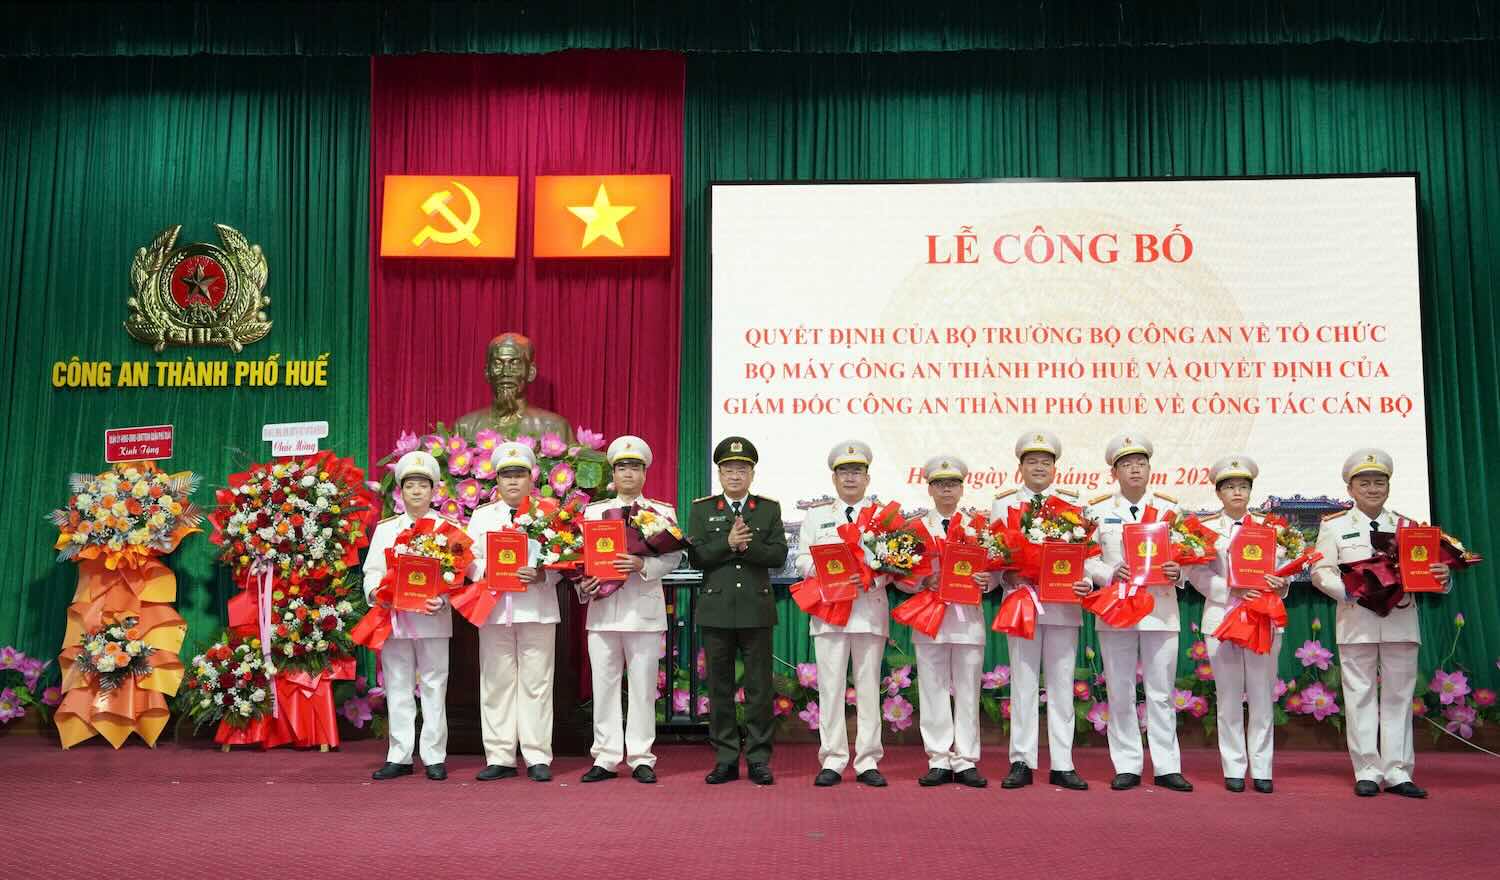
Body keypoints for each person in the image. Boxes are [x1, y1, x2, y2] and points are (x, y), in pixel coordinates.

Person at [1311, 449, 1451, 798]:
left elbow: (1429, 573)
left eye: (1379, 482)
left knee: (1399, 697)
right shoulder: (1334, 526)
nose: (1373, 489)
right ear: (1350, 489)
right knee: (1358, 696)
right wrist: (1349, 591)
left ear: (1389, 486)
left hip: (1400, 620)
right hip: (1356, 619)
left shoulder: (1409, 527)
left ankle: (1398, 772)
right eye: (1364, 483)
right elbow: (1320, 571)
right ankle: (1367, 771)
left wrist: (1442, 577)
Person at [1083, 433, 1193, 792]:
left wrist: (1179, 571)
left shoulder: (1169, 510)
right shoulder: (1097, 511)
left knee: (1161, 692)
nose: (1135, 469)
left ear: (1149, 469)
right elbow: (1085, 558)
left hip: (1160, 609)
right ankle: (1127, 764)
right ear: (1114, 472)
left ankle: (1167, 766)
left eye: (1141, 463)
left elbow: (1190, 555)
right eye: (1126, 464)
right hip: (1116, 609)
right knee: (1120, 690)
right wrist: (1108, 573)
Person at [577, 436, 684, 784]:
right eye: (622, 467)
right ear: (613, 472)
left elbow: (674, 556)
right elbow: (578, 560)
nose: (628, 473)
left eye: (635, 467)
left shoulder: (660, 512)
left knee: (642, 687)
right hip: (603, 612)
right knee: (603, 686)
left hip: (643, 612)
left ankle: (641, 756)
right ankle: (605, 757)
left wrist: (642, 564)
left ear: (645, 473)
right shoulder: (593, 513)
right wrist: (583, 585)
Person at [990, 429, 1091, 790]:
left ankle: (1063, 763)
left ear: (1054, 468)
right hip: (1022, 604)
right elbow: (995, 555)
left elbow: (1086, 556)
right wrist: (1008, 575)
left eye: (1045, 462)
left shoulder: (1073, 504)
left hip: (1062, 607)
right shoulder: (1003, 505)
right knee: (1023, 683)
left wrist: (1086, 581)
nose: (1038, 467)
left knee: (1062, 686)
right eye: (1031, 461)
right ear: (1020, 467)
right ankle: (1021, 760)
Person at [686, 436, 789, 786]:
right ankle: (726, 758)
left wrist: (746, 548)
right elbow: (696, 556)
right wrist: (727, 543)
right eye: (728, 469)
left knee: (759, 689)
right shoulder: (702, 509)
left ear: (752, 474)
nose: (735, 475)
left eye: (742, 469)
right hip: (716, 609)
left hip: (756, 610)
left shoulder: (768, 509)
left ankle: (759, 759)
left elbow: (778, 556)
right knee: (719, 688)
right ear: (719, 473)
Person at [1184, 455, 1288, 793]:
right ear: (1219, 492)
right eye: (1229, 487)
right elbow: (1197, 573)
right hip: (1222, 619)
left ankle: (1262, 769)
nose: (1237, 492)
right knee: (1228, 696)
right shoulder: (1206, 529)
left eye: (1243, 486)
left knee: (1261, 696)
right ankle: (1233, 766)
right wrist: (1231, 588)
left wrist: (1280, 584)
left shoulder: (1272, 528)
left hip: (1263, 617)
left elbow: (1283, 573)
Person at [464, 441, 561, 782]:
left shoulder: (549, 512)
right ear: (497, 480)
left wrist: (544, 574)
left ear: (531, 478)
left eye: (519, 474)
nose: (513, 481)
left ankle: (537, 756)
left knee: (538, 684)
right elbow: (468, 558)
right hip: (493, 610)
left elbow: (565, 558)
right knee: (496, 682)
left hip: (537, 608)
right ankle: (500, 756)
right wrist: (485, 570)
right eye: (507, 475)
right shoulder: (482, 516)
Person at [797, 440, 889, 787]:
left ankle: (868, 761)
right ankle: (833, 759)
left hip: (868, 611)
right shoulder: (817, 516)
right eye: (844, 472)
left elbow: (896, 563)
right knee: (830, 689)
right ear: (834, 478)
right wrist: (827, 572)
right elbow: (802, 560)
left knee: (868, 689)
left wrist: (871, 578)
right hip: (829, 612)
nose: (850, 478)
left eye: (857, 471)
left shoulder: (882, 518)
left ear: (867, 477)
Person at [900, 454, 991, 788]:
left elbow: (995, 570)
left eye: (953, 484)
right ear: (929, 489)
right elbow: (900, 576)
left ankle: (966, 760)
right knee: (932, 689)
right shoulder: (914, 528)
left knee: (968, 691)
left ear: (962, 488)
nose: (946, 490)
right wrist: (923, 581)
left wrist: (988, 581)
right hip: (929, 618)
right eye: (940, 484)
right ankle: (938, 758)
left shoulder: (978, 527)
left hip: (967, 619)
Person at [364, 450, 452, 782]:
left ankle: (434, 756)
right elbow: (372, 572)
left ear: (434, 490)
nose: (416, 491)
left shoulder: (448, 529)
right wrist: (376, 593)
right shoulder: (386, 529)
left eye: (423, 485)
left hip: (433, 619)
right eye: (410, 486)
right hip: (395, 619)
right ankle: (399, 755)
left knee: (434, 687)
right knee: (398, 686)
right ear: (400, 492)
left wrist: (443, 600)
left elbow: (458, 575)